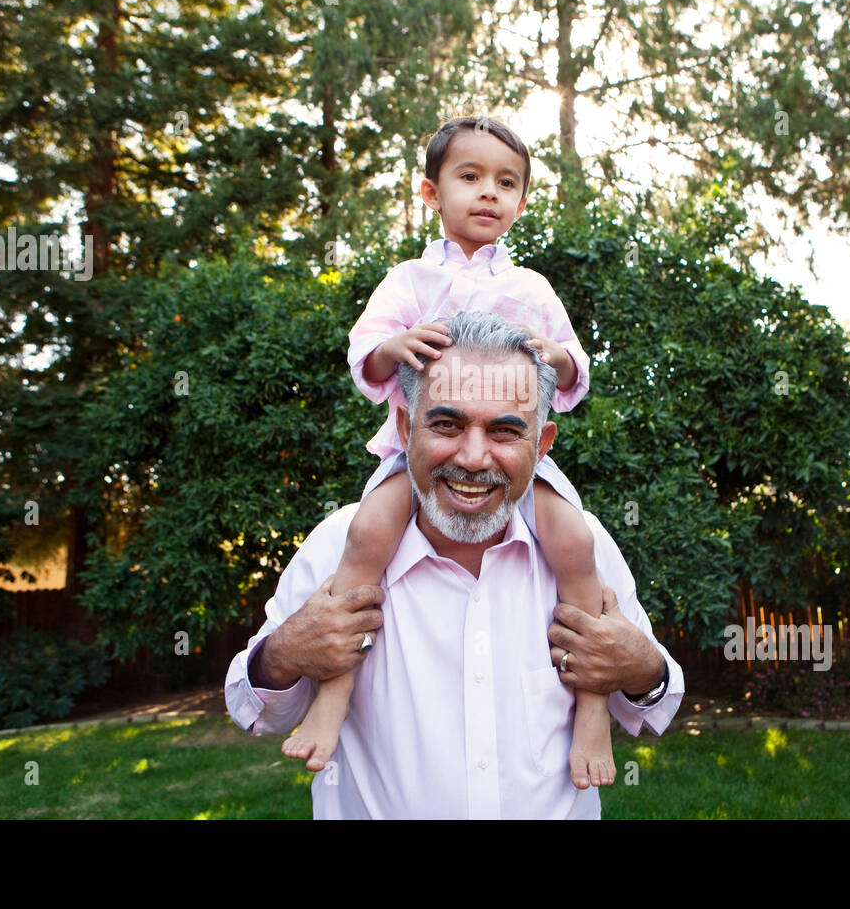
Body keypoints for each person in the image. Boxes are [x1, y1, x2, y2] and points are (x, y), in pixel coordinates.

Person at [224, 311, 684, 818]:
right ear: (404, 428)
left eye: (506, 432)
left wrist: (641, 666)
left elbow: (655, 705)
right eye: (447, 424)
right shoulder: (341, 543)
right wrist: (285, 653)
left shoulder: (581, 545)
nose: (472, 457)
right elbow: (256, 713)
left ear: (542, 444)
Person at [281, 116, 614, 790]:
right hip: (416, 457)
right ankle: (333, 695)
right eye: (470, 178)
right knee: (368, 535)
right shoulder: (408, 281)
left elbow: (575, 371)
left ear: (521, 202)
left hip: (520, 465)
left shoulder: (532, 290)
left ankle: (595, 710)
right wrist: (391, 349)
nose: (488, 194)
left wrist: (554, 357)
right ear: (432, 194)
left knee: (575, 542)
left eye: (506, 183)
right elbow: (364, 353)